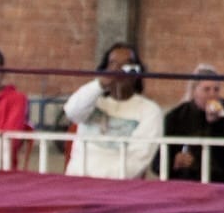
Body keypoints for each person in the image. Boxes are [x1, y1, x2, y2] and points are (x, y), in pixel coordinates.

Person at [67, 44, 163, 179]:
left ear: (137, 72)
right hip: (78, 180)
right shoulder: (94, 101)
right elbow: (72, 112)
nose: (119, 72)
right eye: (113, 64)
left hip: (117, 187)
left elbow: (139, 157)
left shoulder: (150, 110)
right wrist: (99, 85)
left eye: (126, 65)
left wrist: (105, 182)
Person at [163, 64, 224, 183]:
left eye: (216, 89)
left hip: (220, 182)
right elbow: (158, 163)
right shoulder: (176, 116)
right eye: (206, 89)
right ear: (194, 91)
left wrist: (215, 124)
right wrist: (174, 161)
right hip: (186, 182)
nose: (212, 94)